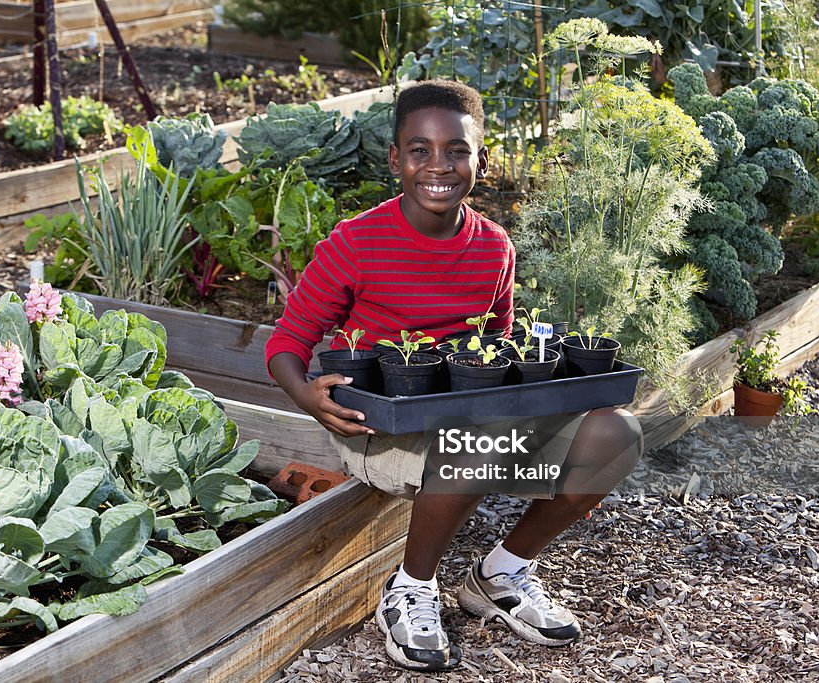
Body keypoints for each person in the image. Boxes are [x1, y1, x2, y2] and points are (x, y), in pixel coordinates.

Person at [265, 80, 643, 672]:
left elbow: (497, 349)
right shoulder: (356, 244)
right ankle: (411, 588)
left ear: (481, 160)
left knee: (615, 435)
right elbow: (287, 343)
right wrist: (309, 397)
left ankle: (502, 573)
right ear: (396, 159)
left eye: (456, 150)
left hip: (471, 425)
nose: (438, 165)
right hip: (379, 428)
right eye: (420, 149)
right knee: (479, 443)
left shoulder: (493, 247)